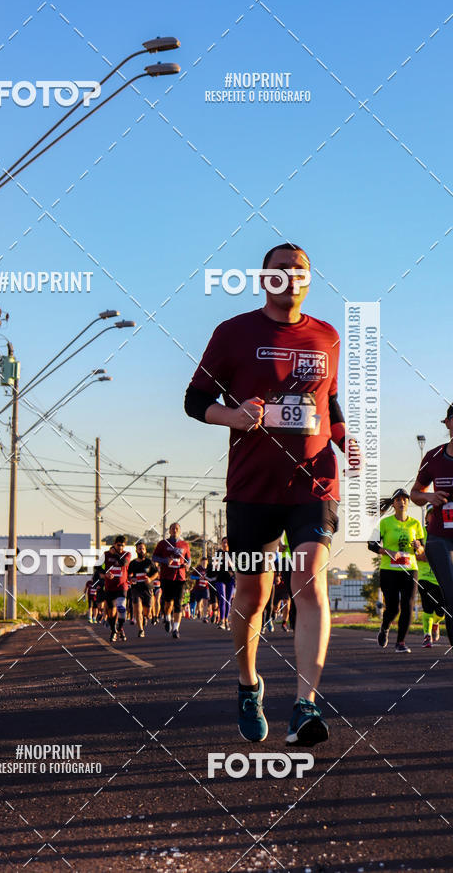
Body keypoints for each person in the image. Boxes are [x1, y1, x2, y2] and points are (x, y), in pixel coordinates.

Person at [185, 243, 352, 745]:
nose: (291, 277)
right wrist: (234, 417)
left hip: (314, 478)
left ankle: (305, 706)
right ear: (263, 279)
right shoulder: (234, 333)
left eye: (300, 270)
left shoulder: (327, 335)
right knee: (254, 595)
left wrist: (347, 445)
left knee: (309, 579)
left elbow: (330, 401)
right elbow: (196, 400)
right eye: (280, 270)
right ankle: (247, 684)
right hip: (253, 485)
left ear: (309, 279)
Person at [410, 404, 453, 645]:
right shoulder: (433, 457)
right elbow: (415, 492)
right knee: (451, 595)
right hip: (440, 536)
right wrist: (429, 497)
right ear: (447, 423)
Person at [367, 488, 423, 652]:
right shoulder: (385, 523)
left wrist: (418, 547)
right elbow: (371, 544)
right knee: (393, 608)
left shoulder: (415, 524)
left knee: (408, 604)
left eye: (405, 499)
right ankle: (385, 627)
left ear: (408, 503)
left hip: (410, 569)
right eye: (398, 499)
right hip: (389, 570)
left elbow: (421, 549)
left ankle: (401, 643)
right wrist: (387, 551)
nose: (402, 502)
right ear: (393, 503)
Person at [153, 522, 191, 639]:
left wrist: (187, 565)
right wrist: (165, 560)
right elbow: (154, 557)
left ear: (180, 531)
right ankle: (167, 617)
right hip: (166, 577)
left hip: (180, 577)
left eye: (177, 528)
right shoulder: (163, 544)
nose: (175, 530)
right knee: (168, 602)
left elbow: (188, 559)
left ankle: (176, 629)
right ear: (169, 531)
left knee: (178, 603)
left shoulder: (184, 544)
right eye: (173, 528)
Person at [416, 507, 446, 647]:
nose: (433, 517)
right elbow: (418, 554)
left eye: (436, 514)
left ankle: (436, 623)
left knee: (442, 610)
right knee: (427, 607)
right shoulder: (420, 532)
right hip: (424, 577)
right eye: (431, 514)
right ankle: (427, 636)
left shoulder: (446, 533)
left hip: (442, 577)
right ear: (427, 517)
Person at [101, 535, 132, 643]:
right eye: (118, 545)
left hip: (122, 586)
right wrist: (106, 574)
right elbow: (98, 569)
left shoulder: (127, 554)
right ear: (114, 544)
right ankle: (114, 630)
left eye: (122, 546)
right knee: (111, 612)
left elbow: (124, 563)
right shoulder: (106, 555)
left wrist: (116, 554)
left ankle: (120, 627)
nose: (120, 547)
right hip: (109, 587)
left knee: (122, 610)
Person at [128, 539, 159, 638]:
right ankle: (141, 629)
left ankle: (146, 617)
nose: (141, 550)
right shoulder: (132, 563)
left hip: (147, 589)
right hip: (136, 589)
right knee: (137, 609)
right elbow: (129, 575)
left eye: (143, 549)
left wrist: (150, 579)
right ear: (136, 550)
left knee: (147, 611)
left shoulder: (149, 562)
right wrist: (131, 578)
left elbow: (156, 573)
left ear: (145, 551)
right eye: (139, 549)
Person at [211, 537, 236, 630]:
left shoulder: (233, 553)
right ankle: (221, 620)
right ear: (221, 544)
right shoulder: (218, 553)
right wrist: (216, 563)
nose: (225, 544)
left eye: (227, 543)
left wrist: (229, 562)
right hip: (220, 578)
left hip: (230, 579)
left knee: (228, 600)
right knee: (222, 598)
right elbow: (215, 565)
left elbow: (235, 567)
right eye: (223, 542)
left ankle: (226, 620)